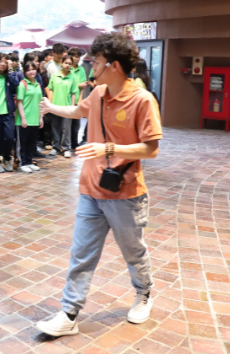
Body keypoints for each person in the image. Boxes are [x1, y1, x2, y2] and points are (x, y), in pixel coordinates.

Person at [36, 32, 162, 336]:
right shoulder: (98, 93)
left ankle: (143, 294)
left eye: (97, 62)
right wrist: (51, 108)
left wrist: (108, 149)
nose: (92, 67)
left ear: (114, 65)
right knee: (81, 255)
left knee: (133, 252)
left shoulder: (141, 99)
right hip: (91, 190)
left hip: (125, 193)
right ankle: (69, 314)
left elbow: (151, 148)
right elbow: (78, 111)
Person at [0, 53, 18, 173]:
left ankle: (7, 158)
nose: (3, 64)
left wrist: (11, 70)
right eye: (1, 61)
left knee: (9, 138)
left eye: (5, 62)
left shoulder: (9, 76)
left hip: (8, 112)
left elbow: (16, 84)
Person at [46, 54, 79, 157]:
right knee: (55, 127)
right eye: (66, 63)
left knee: (66, 129)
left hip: (67, 107)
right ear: (62, 63)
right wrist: (50, 104)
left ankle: (66, 148)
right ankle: (55, 147)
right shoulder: (55, 76)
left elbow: (74, 93)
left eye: (70, 63)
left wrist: (73, 107)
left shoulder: (72, 77)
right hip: (55, 106)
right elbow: (50, 89)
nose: (67, 65)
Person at [15, 61, 43, 173]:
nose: (31, 72)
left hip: (35, 118)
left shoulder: (38, 84)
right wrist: (23, 118)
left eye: (33, 69)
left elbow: (41, 102)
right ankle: (22, 162)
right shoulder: (22, 84)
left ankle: (30, 161)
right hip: (24, 119)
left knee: (32, 142)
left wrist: (41, 117)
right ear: (24, 72)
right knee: (23, 142)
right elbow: (19, 102)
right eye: (28, 70)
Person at [69, 48, 88, 148]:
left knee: (76, 124)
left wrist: (80, 99)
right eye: (76, 57)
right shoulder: (67, 68)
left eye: (79, 57)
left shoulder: (81, 69)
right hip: (68, 100)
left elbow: (84, 84)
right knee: (67, 125)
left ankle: (74, 143)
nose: (78, 59)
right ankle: (65, 144)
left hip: (77, 100)